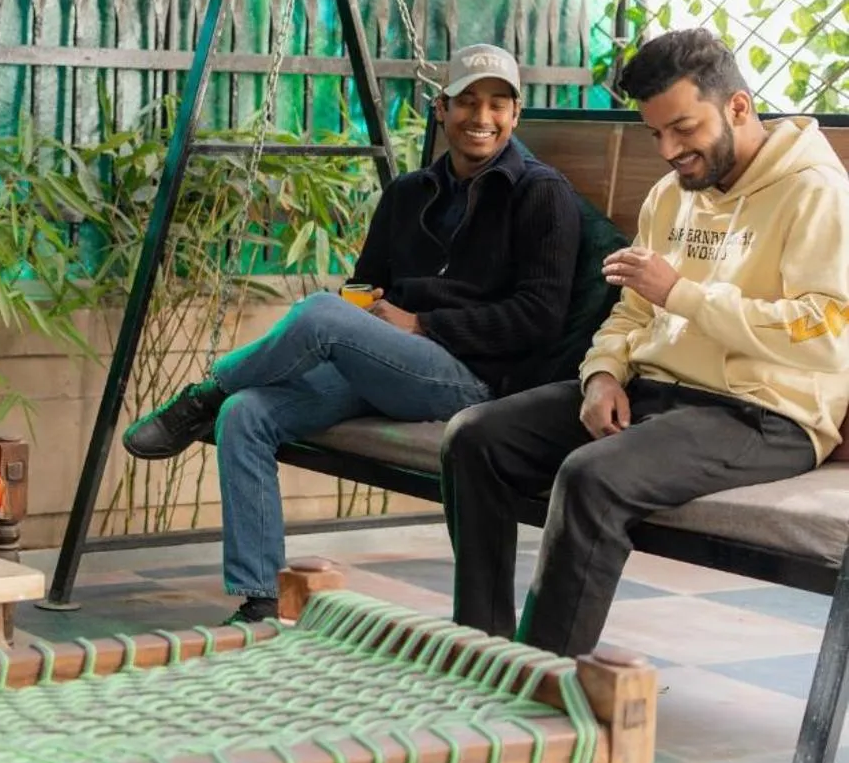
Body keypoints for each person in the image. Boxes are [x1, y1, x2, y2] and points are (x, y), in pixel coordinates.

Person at [121, 44, 583, 626]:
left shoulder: (541, 193)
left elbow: (538, 316)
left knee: (315, 314)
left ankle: (202, 395)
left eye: (497, 104)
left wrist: (423, 323)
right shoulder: (409, 194)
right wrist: (361, 314)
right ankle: (260, 599)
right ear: (441, 109)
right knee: (246, 412)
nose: (481, 117)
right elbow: (368, 285)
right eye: (467, 101)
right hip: (387, 364)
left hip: (472, 379)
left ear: (516, 116)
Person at [442, 29, 849, 658]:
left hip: (767, 411)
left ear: (738, 107)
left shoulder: (813, 191)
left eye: (683, 129)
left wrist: (683, 294)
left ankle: (541, 691)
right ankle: (482, 651)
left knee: (591, 477)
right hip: (657, 393)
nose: (668, 150)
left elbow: (822, 331)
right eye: (655, 133)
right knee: (474, 437)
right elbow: (634, 306)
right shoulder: (671, 196)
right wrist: (602, 374)